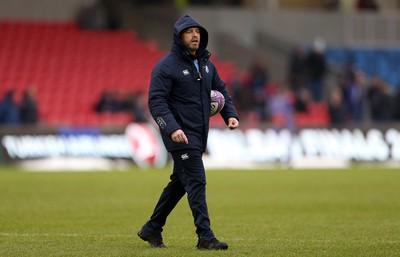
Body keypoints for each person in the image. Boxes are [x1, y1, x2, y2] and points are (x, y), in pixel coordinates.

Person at [137, 14, 239, 250]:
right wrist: (172, 129)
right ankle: (205, 237)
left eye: (197, 32)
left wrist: (230, 114)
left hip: (198, 134)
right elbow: (157, 102)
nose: (195, 35)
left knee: (180, 183)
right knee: (196, 180)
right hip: (180, 134)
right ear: (179, 36)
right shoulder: (165, 67)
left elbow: (221, 90)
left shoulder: (206, 64)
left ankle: (152, 228)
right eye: (189, 32)